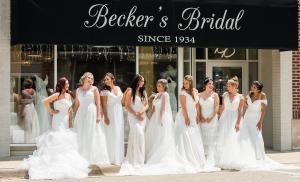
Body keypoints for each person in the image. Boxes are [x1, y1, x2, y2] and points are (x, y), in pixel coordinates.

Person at [20, 77, 89, 180]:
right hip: (57, 120)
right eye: (66, 83)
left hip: (65, 120)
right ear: (61, 85)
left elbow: (70, 110)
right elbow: (45, 102)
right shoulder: (57, 95)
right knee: (58, 138)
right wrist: (51, 111)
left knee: (66, 140)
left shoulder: (69, 95)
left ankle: (66, 164)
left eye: (68, 83)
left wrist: (70, 122)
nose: (68, 85)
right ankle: (52, 163)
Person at [140, 79, 192, 175]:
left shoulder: (165, 95)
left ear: (164, 87)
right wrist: (153, 117)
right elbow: (154, 108)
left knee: (162, 137)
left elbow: (163, 108)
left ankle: (162, 157)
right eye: (157, 86)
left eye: (160, 86)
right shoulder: (156, 96)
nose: (158, 87)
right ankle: (152, 155)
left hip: (163, 117)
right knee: (154, 137)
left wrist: (160, 118)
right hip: (155, 117)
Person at [215, 76, 256, 170]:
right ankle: (223, 160)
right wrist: (219, 118)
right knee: (224, 138)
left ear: (234, 86)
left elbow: (240, 111)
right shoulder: (224, 95)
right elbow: (223, 107)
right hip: (225, 119)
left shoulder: (240, 97)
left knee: (234, 139)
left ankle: (234, 160)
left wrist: (238, 123)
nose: (227, 87)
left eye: (229, 85)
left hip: (235, 118)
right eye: (227, 85)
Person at [73, 72, 109, 165]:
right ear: (84, 78)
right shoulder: (78, 90)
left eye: (92, 78)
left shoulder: (94, 89)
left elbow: (98, 103)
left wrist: (98, 115)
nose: (90, 79)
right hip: (81, 114)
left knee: (91, 133)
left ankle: (91, 157)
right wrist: (74, 115)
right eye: (89, 77)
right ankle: (81, 156)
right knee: (81, 133)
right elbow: (77, 104)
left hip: (91, 113)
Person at [174, 75, 207, 172]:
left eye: (187, 83)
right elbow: (183, 107)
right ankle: (186, 158)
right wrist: (186, 117)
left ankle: (196, 158)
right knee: (185, 136)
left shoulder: (195, 91)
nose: (185, 85)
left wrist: (198, 115)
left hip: (193, 116)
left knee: (194, 137)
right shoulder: (182, 93)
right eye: (184, 83)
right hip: (185, 116)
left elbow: (197, 105)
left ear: (191, 83)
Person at [119, 74, 149, 175]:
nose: (142, 83)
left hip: (142, 117)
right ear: (136, 81)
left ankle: (140, 159)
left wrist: (142, 112)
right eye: (141, 81)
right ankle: (134, 159)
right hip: (133, 116)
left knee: (139, 137)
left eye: (143, 81)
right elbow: (127, 105)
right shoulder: (130, 91)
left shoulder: (143, 92)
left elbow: (147, 105)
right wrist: (136, 114)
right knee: (138, 134)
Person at [100, 73, 124, 165]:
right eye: (105, 80)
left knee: (118, 133)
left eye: (107, 79)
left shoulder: (118, 88)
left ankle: (118, 157)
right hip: (110, 113)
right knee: (110, 134)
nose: (106, 81)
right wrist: (105, 117)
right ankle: (110, 158)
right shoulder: (104, 91)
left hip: (119, 113)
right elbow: (104, 106)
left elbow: (121, 100)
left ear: (112, 79)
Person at [198, 77, 219, 167]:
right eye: (209, 84)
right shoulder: (199, 95)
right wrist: (200, 117)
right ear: (205, 85)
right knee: (202, 137)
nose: (211, 85)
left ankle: (211, 157)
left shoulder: (215, 95)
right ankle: (203, 157)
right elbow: (198, 108)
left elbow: (216, 107)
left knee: (211, 138)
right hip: (202, 119)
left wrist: (211, 117)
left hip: (212, 119)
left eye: (212, 84)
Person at [20, 79, 40, 143]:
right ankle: (33, 138)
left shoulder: (23, 92)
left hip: (27, 107)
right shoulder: (33, 91)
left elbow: (23, 102)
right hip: (32, 106)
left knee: (27, 124)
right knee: (33, 123)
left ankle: (28, 140)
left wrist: (21, 112)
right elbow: (36, 99)